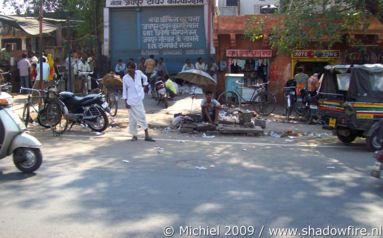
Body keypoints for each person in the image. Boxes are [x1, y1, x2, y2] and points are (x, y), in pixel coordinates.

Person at [122, 61, 155, 142]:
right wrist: (125, 102)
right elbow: (124, 91)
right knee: (132, 119)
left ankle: (146, 135)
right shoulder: (125, 78)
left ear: (134, 69)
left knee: (142, 117)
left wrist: (145, 84)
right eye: (128, 68)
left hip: (139, 99)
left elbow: (145, 78)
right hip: (130, 101)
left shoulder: (139, 73)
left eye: (131, 68)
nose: (129, 69)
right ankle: (134, 135)